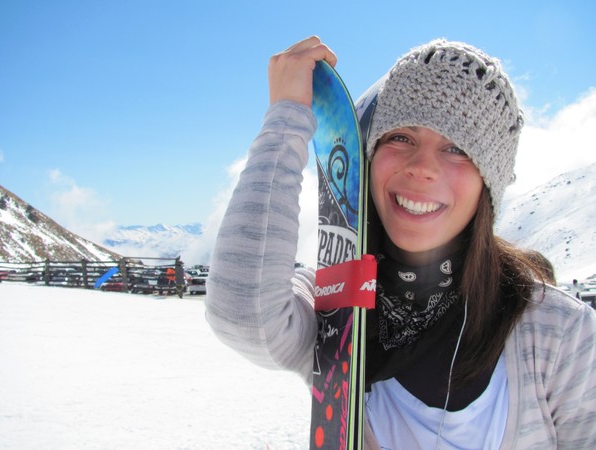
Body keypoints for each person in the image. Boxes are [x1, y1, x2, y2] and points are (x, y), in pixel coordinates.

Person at [205, 36, 596, 449]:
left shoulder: (558, 333)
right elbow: (242, 314)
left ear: (488, 184)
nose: (423, 167)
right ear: (371, 158)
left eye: (457, 147)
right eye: (400, 138)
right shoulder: (338, 311)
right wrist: (287, 118)